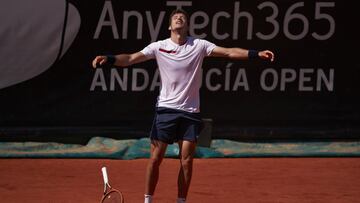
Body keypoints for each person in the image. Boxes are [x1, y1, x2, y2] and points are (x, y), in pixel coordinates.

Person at [92, 9, 274, 203]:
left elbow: (229, 51)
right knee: (156, 158)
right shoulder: (158, 46)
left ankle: (181, 201)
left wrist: (255, 54)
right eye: (175, 17)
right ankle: (147, 201)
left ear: (187, 26)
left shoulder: (199, 45)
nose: (179, 18)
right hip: (166, 110)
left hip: (190, 112)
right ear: (170, 26)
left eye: (183, 18)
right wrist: (109, 59)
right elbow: (129, 58)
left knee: (187, 161)